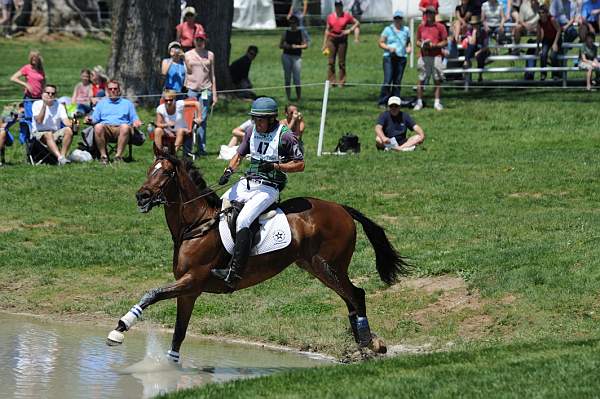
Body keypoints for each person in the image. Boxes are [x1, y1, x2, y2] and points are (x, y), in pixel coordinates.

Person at [211, 97, 305, 287]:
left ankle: (235, 271)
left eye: (260, 119)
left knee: (244, 219)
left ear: (271, 119)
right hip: (248, 182)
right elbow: (239, 155)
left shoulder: (285, 135)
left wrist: (277, 166)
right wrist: (228, 171)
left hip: (269, 187)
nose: (257, 123)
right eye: (254, 119)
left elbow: (300, 164)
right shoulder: (250, 131)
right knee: (218, 208)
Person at [88, 80, 142, 164]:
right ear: (107, 91)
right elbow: (94, 119)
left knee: (125, 126)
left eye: (115, 88)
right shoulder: (101, 103)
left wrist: (136, 122)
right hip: (106, 129)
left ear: (119, 90)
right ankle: (103, 156)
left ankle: (118, 157)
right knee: (98, 126)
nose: (113, 90)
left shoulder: (127, 104)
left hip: (122, 130)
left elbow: (135, 119)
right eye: (110, 89)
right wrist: (89, 119)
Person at [185, 31, 217, 156]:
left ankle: (201, 148)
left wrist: (214, 94)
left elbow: (212, 74)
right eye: (197, 40)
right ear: (194, 41)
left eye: (201, 40)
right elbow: (186, 72)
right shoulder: (187, 55)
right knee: (190, 119)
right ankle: (187, 149)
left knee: (202, 119)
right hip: (192, 89)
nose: (199, 42)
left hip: (205, 90)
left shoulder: (210, 55)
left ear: (205, 41)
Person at [414, 7, 448, 111]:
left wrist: (435, 45)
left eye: (431, 13)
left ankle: (437, 102)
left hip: (436, 56)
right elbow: (417, 41)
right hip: (424, 56)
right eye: (427, 13)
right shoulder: (421, 27)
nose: (428, 15)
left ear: (434, 14)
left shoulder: (440, 27)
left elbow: (445, 41)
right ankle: (419, 102)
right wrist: (423, 44)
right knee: (421, 79)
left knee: (437, 80)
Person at [31, 84, 74, 165]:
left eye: (53, 93)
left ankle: (63, 156)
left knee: (68, 130)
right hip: (39, 134)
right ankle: (59, 158)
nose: (50, 95)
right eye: (48, 93)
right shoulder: (36, 104)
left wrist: (72, 124)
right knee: (48, 134)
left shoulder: (59, 106)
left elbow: (66, 122)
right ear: (42, 94)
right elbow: (39, 121)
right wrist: (44, 105)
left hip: (55, 133)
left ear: (55, 95)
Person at [322, 0, 360, 87]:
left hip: (342, 40)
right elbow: (327, 30)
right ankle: (332, 81)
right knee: (331, 61)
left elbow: (357, 23)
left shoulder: (346, 16)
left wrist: (349, 30)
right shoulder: (330, 17)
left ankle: (342, 81)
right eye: (336, 6)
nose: (338, 7)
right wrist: (324, 44)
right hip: (331, 39)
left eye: (339, 6)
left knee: (341, 62)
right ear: (335, 7)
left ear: (342, 6)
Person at [10, 50, 45, 142]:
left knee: (39, 118)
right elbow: (13, 78)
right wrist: (25, 84)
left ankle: (37, 137)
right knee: (29, 117)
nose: (34, 59)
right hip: (29, 98)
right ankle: (28, 139)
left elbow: (43, 81)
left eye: (36, 57)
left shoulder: (40, 69)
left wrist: (44, 92)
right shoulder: (27, 68)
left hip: (39, 98)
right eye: (32, 57)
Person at [378, 10, 411, 106]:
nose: (398, 20)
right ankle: (383, 101)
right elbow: (380, 42)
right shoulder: (388, 29)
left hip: (401, 57)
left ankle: (395, 101)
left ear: (402, 19)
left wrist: (409, 48)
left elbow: (408, 42)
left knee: (397, 81)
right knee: (388, 80)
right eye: (396, 18)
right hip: (389, 57)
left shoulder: (406, 30)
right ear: (393, 19)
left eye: (399, 18)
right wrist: (388, 47)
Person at [280, 16, 307, 101]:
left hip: (297, 57)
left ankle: (299, 97)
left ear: (297, 23)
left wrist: (297, 46)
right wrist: (286, 46)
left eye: (294, 23)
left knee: (297, 78)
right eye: (291, 23)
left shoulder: (301, 32)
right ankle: (288, 97)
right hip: (286, 55)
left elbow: (305, 45)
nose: (292, 24)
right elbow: (280, 45)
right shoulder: (286, 32)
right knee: (287, 77)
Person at [538, 5, 562, 80]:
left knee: (553, 55)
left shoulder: (552, 19)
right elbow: (539, 35)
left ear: (546, 13)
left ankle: (555, 75)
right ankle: (543, 74)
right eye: (539, 13)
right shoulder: (539, 22)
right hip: (547, 39)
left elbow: (559, 30)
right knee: (543, 54)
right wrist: (538, 47)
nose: (541, 14)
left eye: (543, 12)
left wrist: (555, 43)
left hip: (556, 38)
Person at [464, 15, 490, 82]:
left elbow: (486, 46)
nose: (474, 26)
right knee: (471, 46)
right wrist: (474, 33)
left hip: (482, 49)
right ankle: (466, 61)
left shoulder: (484, 32)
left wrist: (479, 52)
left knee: (481, 55)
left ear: (479, 24)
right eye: (473, 24)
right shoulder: (469, 32)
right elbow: (472, 42)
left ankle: (480, 75)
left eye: (476, 24)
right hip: (473, 49)